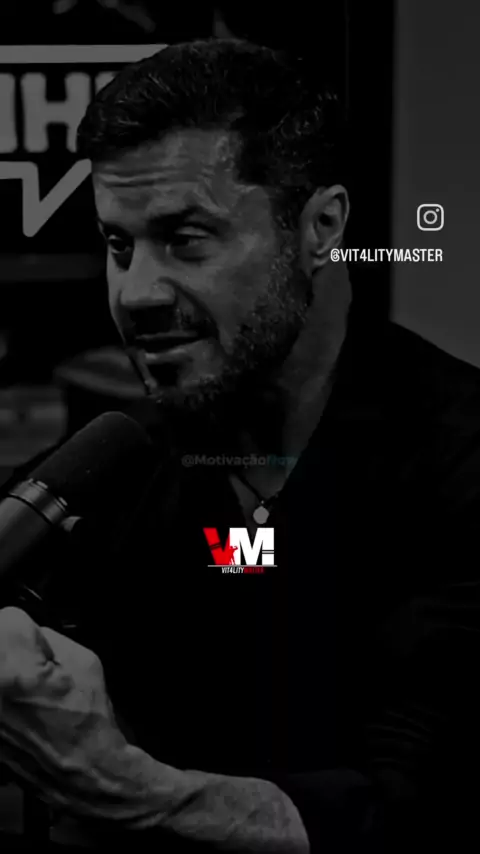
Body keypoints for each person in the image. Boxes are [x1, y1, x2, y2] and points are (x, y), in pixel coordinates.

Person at [1, 38, 480, 853]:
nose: (136, 293)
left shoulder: (458, 465)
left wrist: (117, 788)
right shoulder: (117, 466)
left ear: (321, 226)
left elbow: (408, 810)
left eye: (186, 239)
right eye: (119, 246)